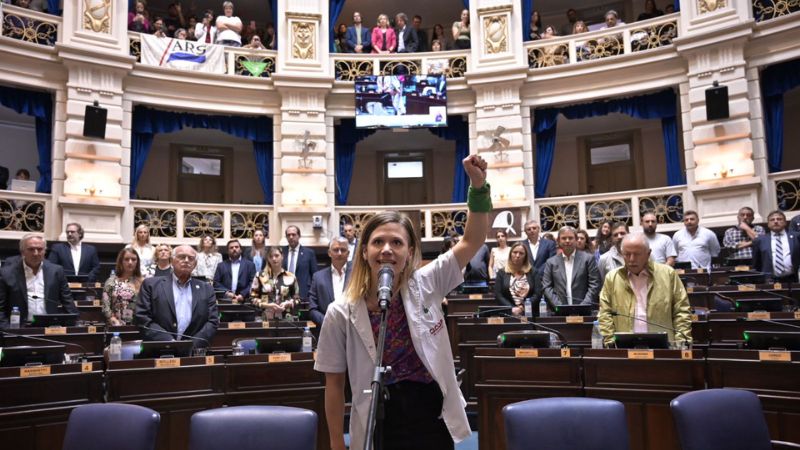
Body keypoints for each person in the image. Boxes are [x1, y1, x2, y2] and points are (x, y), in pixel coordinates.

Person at [315, 154, 489, 450]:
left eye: (396, 242)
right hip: (377, 416)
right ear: (363, 252)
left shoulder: (428, 282)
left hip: (428, 411)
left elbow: (472, 240)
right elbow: (333, 385)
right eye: (378, 242)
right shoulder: (339, 312)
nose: (387, 250)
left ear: (409, 252)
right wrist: (335, 443)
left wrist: (478, 185)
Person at [598, 233, 692, 347]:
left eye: (637, 254)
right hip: (625, 347)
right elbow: (605, 314)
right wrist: (611, 343)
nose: (631, 259)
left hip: (663, 347)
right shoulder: (612, 278)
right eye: (627, 254)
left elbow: (681, 311)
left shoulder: (668, 274)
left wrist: (681, 344)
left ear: (648, 254)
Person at [134, 245, 219, 348]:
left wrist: (192, 345)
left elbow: (213, 321)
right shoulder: (151, 285)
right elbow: (142, 318)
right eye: (182, 257)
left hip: (194, 353)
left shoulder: (206, 289)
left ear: (195, 264)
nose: (186, 260)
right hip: (160, 351)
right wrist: (169, 342)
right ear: (172, 260)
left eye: (191, 258)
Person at [0, 234, 77, 328]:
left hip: (49, 328)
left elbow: (68, 302)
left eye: (40, 249)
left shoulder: (56, 271)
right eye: (31, 249)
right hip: (19, 328)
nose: (36, 253)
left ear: (45, 251)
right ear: (23, 251)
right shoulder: (6, 273)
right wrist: (7, 330)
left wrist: (74, 326)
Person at [542, 226, 601, 308]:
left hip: (584, 312)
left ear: (576, 240)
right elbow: (547, 287)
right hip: (559, 313)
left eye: (570, 238)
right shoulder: (551, 262)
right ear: (558, 241)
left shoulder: (588, 259)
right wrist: (559, 307)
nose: (567, 241)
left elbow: (594, 285)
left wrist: (583, 307)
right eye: (564, 238)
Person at [308, 237, 351, 327]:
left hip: (352, 330)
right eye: (336, 250)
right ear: (329, 253)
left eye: (343, 250)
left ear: (348, 253)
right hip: (327, 331)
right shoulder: (318, 277)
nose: (339, 253)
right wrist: (328, 322)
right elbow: (312, 308)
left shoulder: (357, 275)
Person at [250, 246, 300, 318]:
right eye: (271, 256)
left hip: (286, 318)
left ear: (282, 256)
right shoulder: (260, 276)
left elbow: (297, 299)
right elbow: (252, 298)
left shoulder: (291, 276)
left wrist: (288, 303)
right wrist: (267, 305)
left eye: (277, 256)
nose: (274, 259)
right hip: (265, 318)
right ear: (268, 259)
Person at [494, 242, 541, 316]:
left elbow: (537, 294)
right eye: (515, 252)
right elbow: (498, 295)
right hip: (508, 314)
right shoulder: (502, 272)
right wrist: (512, 308)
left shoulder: (533, 272)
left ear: (525, 256)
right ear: (510, 254)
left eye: (521, 253)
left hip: (530, 314)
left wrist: (522, 307)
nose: (517, 255)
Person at [752, 210, 800, 282]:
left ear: (785, 222)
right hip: (769, 281)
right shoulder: (760, 240)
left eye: (779, 219)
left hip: (793, 279)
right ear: (768, 224)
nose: (776, 221)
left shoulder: (796, 237)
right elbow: (757, 264)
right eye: (772, 220)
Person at [102, 248, 143, 326]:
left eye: (133, 259)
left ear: (137, 262)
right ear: (121, 262)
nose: (130, 262)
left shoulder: (143, 282)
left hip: (138, 325)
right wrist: (112, 319)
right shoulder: (111, 282)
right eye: (126, 259)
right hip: (116, 326)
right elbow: (105, 306)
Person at [283, 225, 318, 300]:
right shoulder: (281, 252)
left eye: (293, 234)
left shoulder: (309, 253)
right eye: (288, 235)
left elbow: (315, 275)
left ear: (299, 236)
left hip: (303, 293)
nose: (291, 237)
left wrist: (312, 293)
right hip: (284, 293)